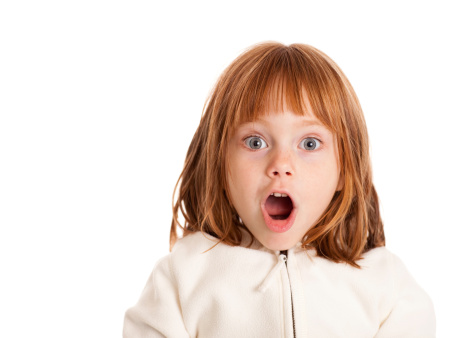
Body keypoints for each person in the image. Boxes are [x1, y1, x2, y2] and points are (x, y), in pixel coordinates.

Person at [123, 42, 436, 337]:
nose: (281, 164)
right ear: (220, 163)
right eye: (255, 142)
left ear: (345, 171)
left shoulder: (387, 286)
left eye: (309, 144)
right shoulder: (181, 280)